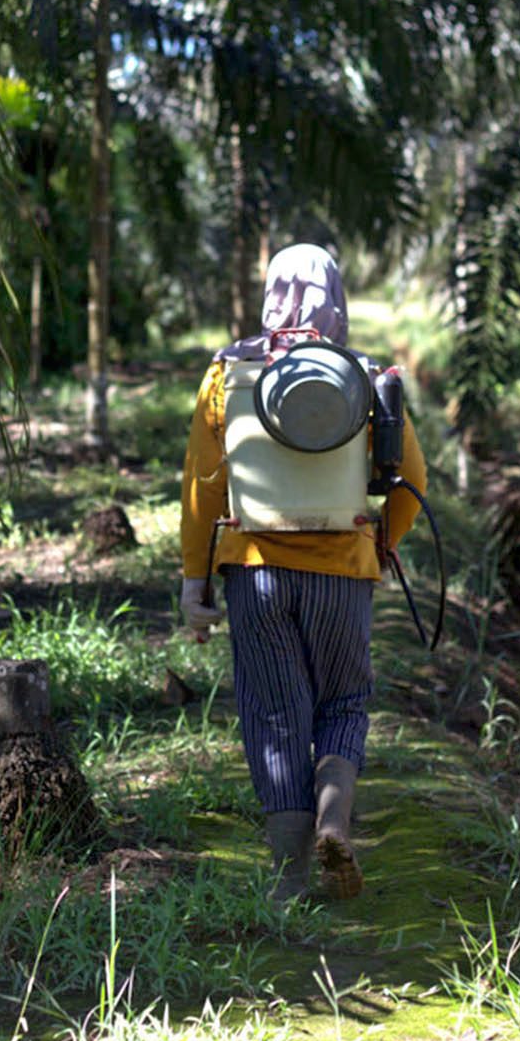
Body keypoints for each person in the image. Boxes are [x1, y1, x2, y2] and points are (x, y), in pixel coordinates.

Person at [178, 244, 427, 900]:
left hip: (254, 571)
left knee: (274, 715)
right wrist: (381, 543)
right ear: (336, 299)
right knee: (343, 702)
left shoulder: (227, 373)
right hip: (343, 569)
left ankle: (289, 880)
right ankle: (334, 823)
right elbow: (412, 479)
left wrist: (193, 580)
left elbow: (203, 486)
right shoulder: (364, 375)